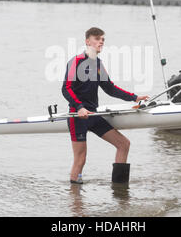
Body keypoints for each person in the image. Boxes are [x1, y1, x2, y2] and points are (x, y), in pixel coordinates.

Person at [62, 27, 149, 184]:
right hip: (78, 116)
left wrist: (134, 97)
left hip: (93, 116)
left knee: (123, 144)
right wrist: (80, 107)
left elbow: (110, 88)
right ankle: (75, 202)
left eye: (103, 39)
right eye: (97, 38)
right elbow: (66, 88)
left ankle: (119, 188)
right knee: (80, 159)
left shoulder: (98, 64)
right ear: (87, 41)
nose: (101, 41)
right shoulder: (75, 62)